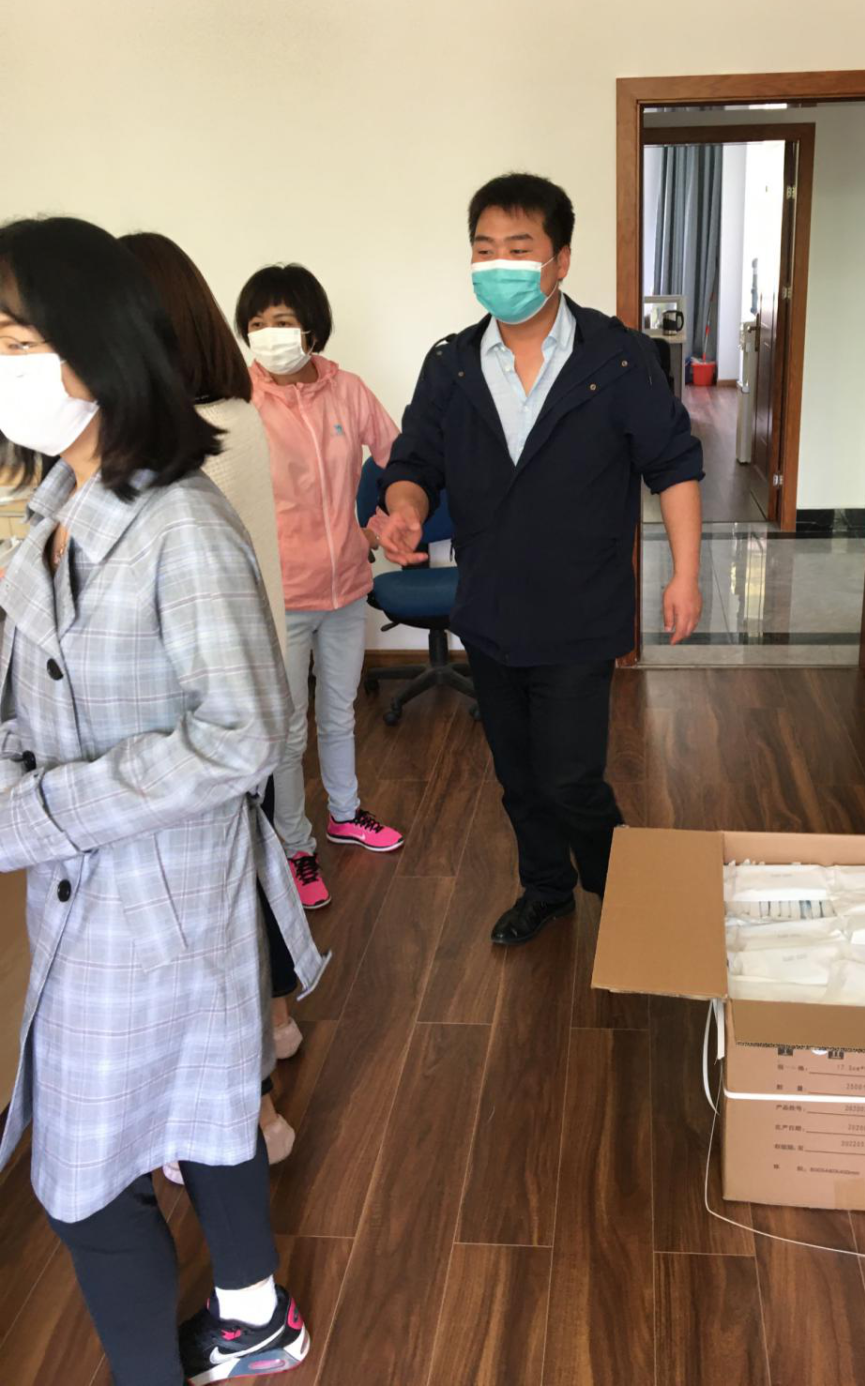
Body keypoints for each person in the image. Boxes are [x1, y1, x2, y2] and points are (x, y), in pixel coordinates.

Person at [0, 215, 326, 1386]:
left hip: (155, 907)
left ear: (95, 345)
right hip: (94, 897)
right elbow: (28, 691)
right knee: (203, 1108)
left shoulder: (178, 526)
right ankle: (255, 1319)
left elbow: (244, 735)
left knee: (83, 1183)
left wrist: (38, 813)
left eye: (13, 342)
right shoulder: (55, 508)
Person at [380, 172, 704, 946]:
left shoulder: (617, 357)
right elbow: (414, 461)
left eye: (519, 249)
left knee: (570, 778)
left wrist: (686, 574)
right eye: (485, 249)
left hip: (580, 608)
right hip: (490, 608)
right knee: (518, 775)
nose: (501, 265)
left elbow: (674, 465)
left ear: (560, 260)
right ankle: (546, 887)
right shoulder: (453, 364)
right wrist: (404, 509)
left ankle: (630, 894)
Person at [120, 231, 302, 1176]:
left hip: (210, 712)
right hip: (247, 692)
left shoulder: (192, 442)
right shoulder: (231, 415)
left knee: (218, 911)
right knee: (250, 882)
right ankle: (277, 1024)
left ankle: (252, 1110)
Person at [235, 263, 403, 910]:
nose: (269, 334)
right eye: (256, 323)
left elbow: (400, 460)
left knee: (338, 712)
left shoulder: (347, 390)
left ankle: (345, 813)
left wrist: (378, 527)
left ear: (310, 326)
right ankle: (293, 844)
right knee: (286, 730)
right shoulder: (240, 403)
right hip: (279, 599)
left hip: (347, 587)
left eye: (281, 321)